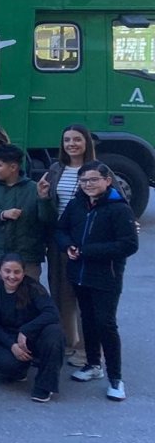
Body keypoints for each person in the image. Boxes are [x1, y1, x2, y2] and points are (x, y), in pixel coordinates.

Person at [55, 161, 139, 402]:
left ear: (107, 180)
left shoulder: (119, 209)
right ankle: (93, 365)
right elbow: (61, 230)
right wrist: (68, 246)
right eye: (83, 180)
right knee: (88, 320)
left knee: (106, 324)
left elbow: (128, 245)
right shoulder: (76, 204)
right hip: (79, 274)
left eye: (93, 179)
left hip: (106, 277)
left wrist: (86, 251)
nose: (88, 184)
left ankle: (116, 379)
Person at [38, 124, 94, 368]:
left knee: (85, 297)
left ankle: (88, 349)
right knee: (61, 294)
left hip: (84, 241)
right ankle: (68, 341)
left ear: (86, 142)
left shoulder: (96, 169)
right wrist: (42, 197)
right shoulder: (55, 169)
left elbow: (114, 201)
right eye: (67, 140)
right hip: (58, 240)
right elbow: (49, 207)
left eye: (77, 139)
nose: (72, 144)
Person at [0, 253, 64, 403]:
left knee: (54, 332)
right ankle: (20, 369)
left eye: (17, 272)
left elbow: (52, 313)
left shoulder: (33, 288)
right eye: (7, 271)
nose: (12, 276)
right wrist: (12, 345)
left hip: (34, 336)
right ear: (0, 271)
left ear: (23, 272)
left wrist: (26, 330)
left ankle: (44, 385)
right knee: (6, 364)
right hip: (10, 339)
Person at [0, 145, 51, 282]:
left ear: (13, 167)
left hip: (28, 257)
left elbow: (48, 219)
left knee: (29, 293)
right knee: (0, 293)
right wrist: (2, 214)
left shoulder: (34, 188)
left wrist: (43, 198)